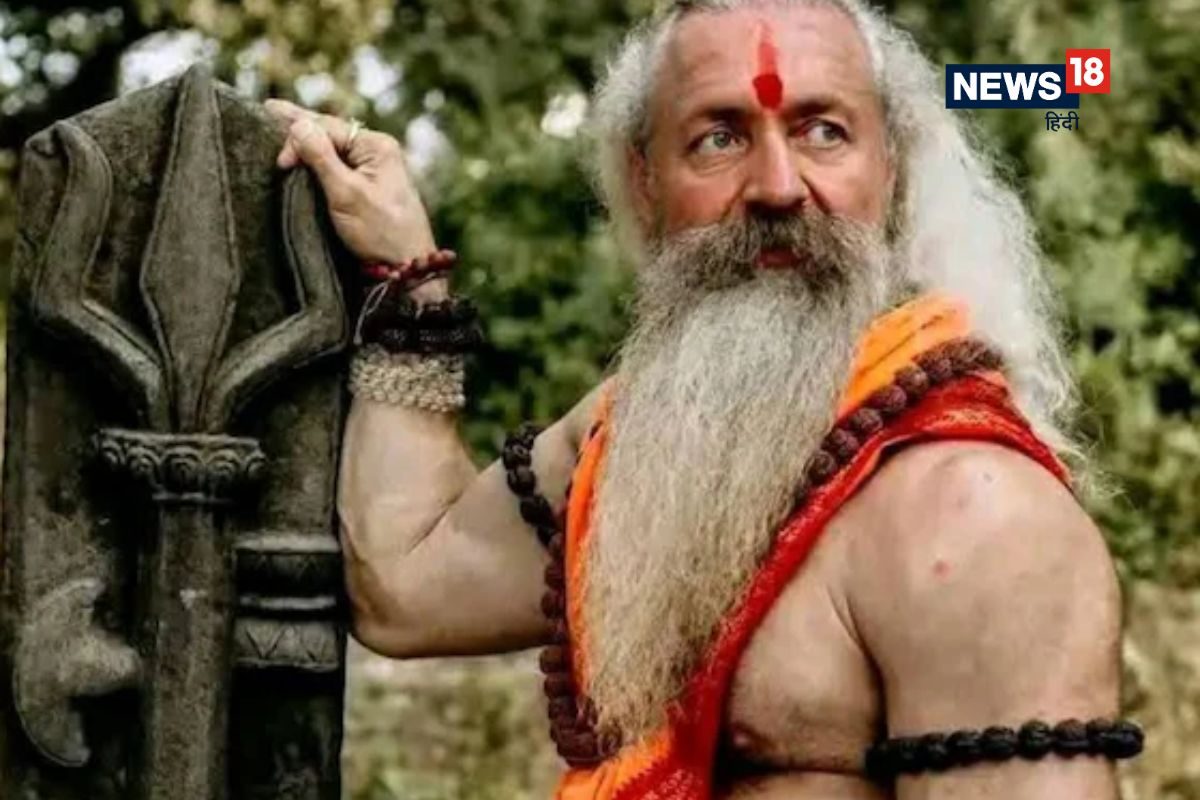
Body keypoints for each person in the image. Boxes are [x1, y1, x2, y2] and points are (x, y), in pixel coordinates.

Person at [265, 1, 1143, 797]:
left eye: (824, 132)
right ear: (645, 182)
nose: (778, 187)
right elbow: (408, 586)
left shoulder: (972, 512)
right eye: (719, 139)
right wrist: (409, 286)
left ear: (893, 168)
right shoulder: (636, 442)